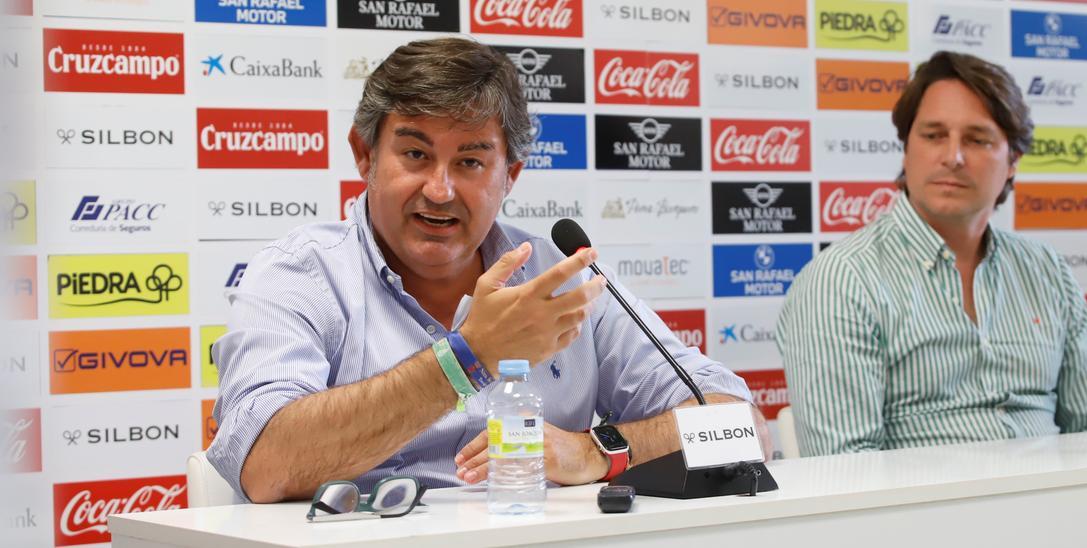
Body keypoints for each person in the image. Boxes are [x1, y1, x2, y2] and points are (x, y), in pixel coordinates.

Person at [208, 37, 760, 503]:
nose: (440, 189)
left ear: (509, 175)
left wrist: (596, 450)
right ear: (364, 155)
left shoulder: (558, 276)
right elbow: (264, 463)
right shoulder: (300, 274)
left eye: (470, 161)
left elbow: (741, 428)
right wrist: (468, 359)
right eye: (416, 155)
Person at [776, 51, 1087, 456]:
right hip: (921, 516)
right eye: (934, 135)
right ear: (906, 149)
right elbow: (848, 469)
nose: (953, 157)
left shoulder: (1046, 270)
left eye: (977, 140)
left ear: (1012, 161)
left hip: (1060, 509)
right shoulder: (842, 280)